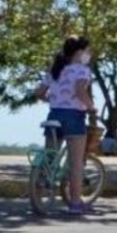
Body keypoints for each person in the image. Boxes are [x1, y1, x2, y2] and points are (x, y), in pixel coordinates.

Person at [37, 36, 98, 215]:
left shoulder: (55, 70)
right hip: (73, 117)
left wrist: (52, 99)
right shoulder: (82, 70)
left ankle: (38, 194)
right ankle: (75, 203)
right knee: (76, 162)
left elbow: (39, 92)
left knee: (49, 158)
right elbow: (80, 91)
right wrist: (91, 107)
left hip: (54, 115)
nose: (89, 54)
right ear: (79, 52)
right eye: (88, 50)